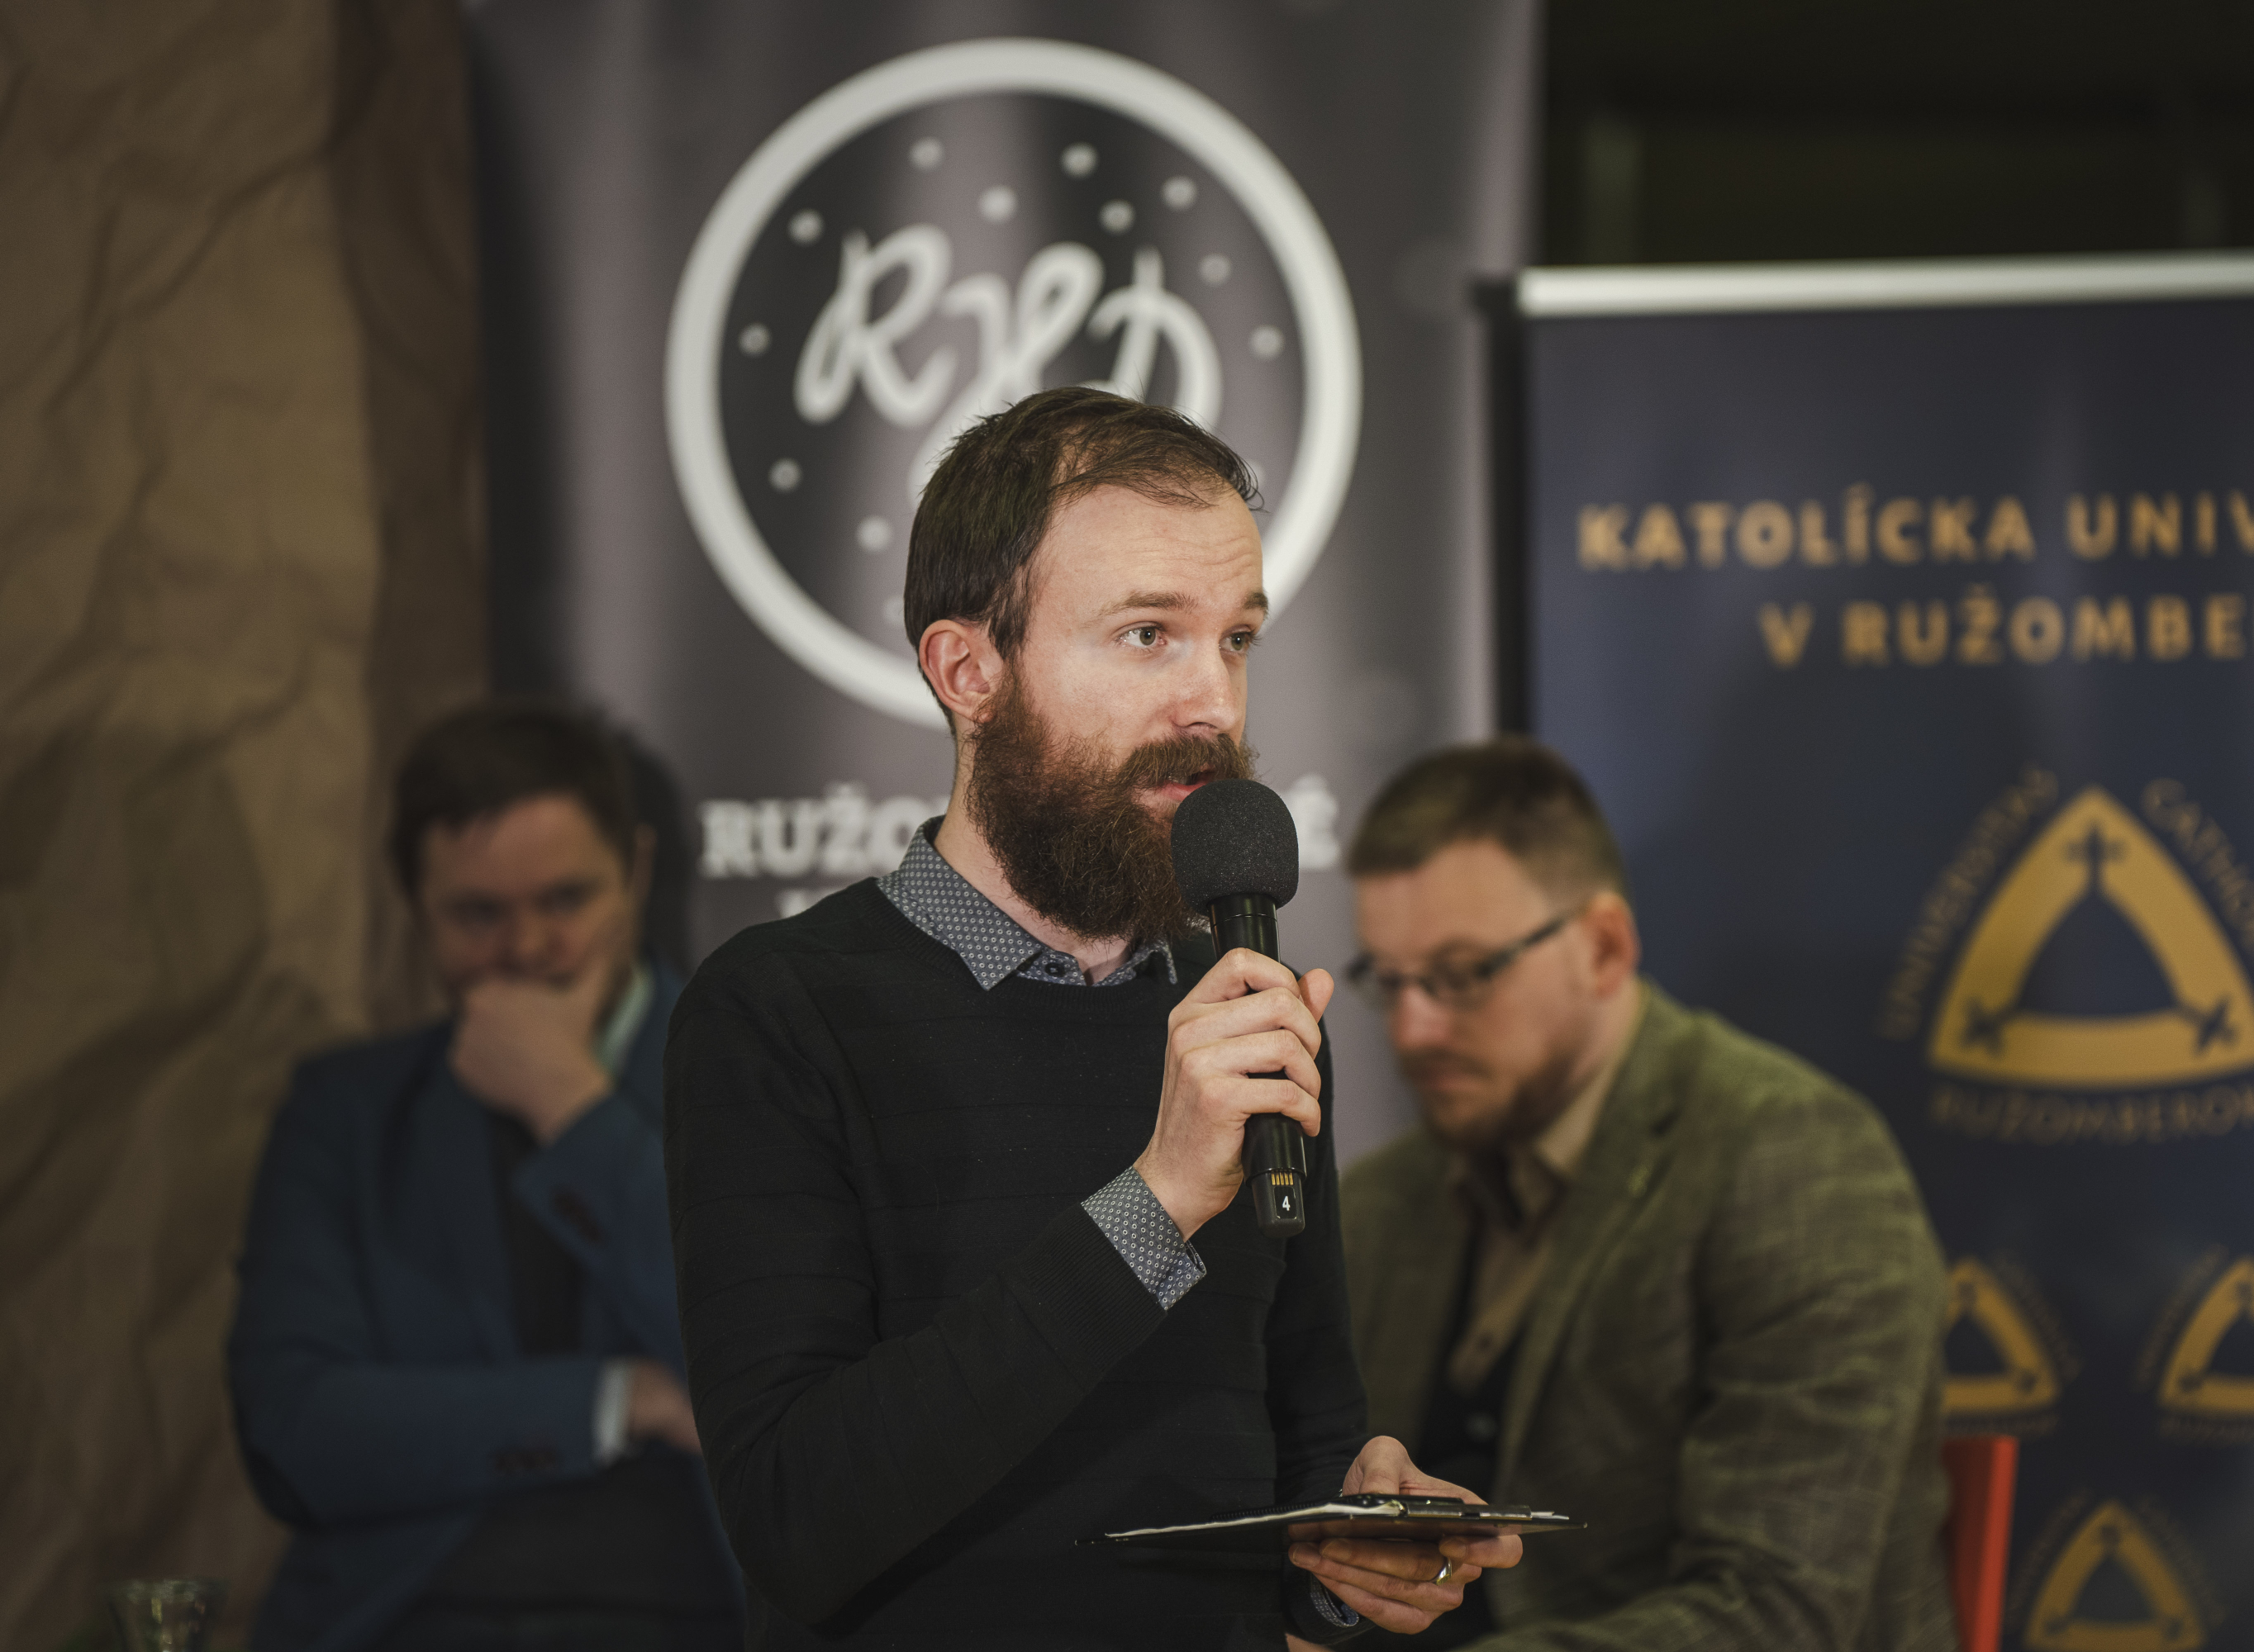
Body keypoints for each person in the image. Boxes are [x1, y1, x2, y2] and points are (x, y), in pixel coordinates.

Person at [663, 386, 1521, 1651]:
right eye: (1147, 635)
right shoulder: (778, 1013)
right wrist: (1159, 1199)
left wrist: (1355, 1552)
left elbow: (1305, 1449)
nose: (1213, 704)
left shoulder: (1247, 1003)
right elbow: (797, 1519)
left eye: (1236, 638)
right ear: (970, 671)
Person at [1338, 738, 1955, 1651]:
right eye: (1387, 982)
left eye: (1463, 974)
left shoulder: (1796, 1162)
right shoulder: (1382, 1202)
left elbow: (1777, 1612)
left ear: (1603, 947)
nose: (1413, 1028)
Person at [229, 703, 740, 1652]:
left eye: (566, 899)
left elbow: (773, 1366)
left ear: (634, 871)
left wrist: (571, 1109)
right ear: (414, 904)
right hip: (405, 1622)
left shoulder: (766, 1076)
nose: (528, 948)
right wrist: (617, 1399)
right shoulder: (347, 1113)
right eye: (478, 914)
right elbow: (294, 1435)